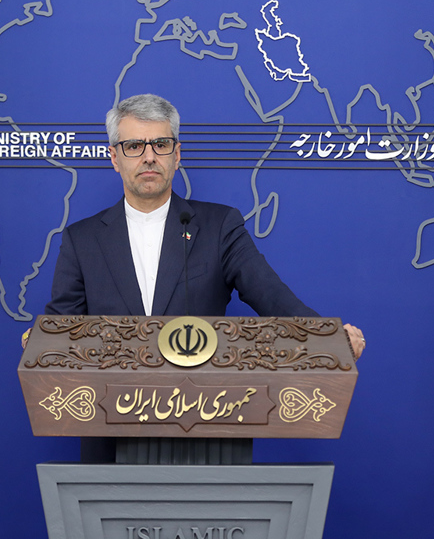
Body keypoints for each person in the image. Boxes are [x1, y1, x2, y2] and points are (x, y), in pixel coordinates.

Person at [29, 93, 365, 358]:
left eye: (160, 144)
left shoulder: (220, 227)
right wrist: (42, 341)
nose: (149, 157)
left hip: (202, 424)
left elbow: (273, 296)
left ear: (177, 155)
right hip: (110, 432)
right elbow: (62, 332)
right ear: (115, 158)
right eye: (134, 146)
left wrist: (327, 339)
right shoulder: (82, 240)